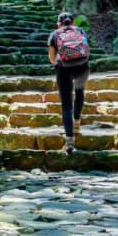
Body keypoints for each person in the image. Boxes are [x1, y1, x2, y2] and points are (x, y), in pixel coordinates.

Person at [48, 11, 91, 152]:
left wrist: (58, 64)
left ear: (58, 23)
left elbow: (52, 58)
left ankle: (70, 141)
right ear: (73, 22)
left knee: (66, 106)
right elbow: (87, 50)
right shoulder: (80, 30)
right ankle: (77, 122)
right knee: (79, 92)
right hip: (82, 67)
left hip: (64, 69)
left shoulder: (55, 34)